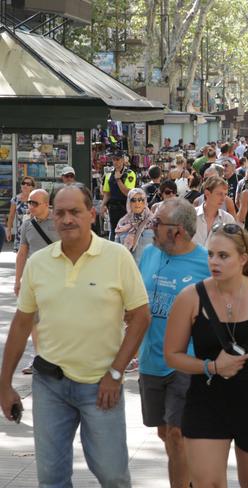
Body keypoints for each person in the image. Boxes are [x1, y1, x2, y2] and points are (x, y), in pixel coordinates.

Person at [0, 183, 151, 487]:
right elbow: (20, 324)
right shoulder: (38, 264)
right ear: (53, 217)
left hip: (101, 386)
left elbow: (141, 318)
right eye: (61, 213)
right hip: (50, 386)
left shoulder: (117, 257)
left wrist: (116, 372)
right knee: (52, 479)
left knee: (113, 476)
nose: (67, 219)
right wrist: (4, 385)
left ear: (92, 215)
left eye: (75, 212)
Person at [163, 223, 248, 488]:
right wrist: (211, 366)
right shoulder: (190, 298)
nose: (214, 261)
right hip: (207, 402)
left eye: (223, 256)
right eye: (211, 254)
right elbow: (173, 355)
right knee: (207, 484)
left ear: (243, 259)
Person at [137, 197, 210, 488]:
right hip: (151, 359)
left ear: (178, 230)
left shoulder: (207, 263)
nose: (151, 227)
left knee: (179, 435)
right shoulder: (149, 254)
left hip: (187, 361)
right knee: (165, 433)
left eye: (157, 223)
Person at [14, 188, 59, 375]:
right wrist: (18, 280)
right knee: (34, 319)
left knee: (55, 319)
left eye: (34, 203)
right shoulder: (27, 225)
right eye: (29, 203)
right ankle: (38, 357)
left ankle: (58, 357)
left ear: (46, 204)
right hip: (34, 280)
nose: (30, 206)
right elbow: (22, 253)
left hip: (57, 279)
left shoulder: (58, 222)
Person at [101, 151, 138, 241]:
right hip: (113, 208)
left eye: (117, 159)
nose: (115, 162)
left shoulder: (129, 174)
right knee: (114, 232)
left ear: (122, 160)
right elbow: (107, 193)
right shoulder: (109, 174)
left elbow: (128, 193)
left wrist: (118, 180)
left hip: (125, 208)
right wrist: (103, 205)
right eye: (113, 159)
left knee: (125, 232)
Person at [114, 188, 155, 265]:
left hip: (146, 270)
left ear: (145, 201)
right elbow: (116, 248)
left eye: (140, 199)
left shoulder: (153, 223)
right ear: (129, 202)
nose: (137, 203)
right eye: (133, 200)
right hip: (127, 269)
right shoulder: (123, 223)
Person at [193, 176, 236, 247]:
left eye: (225, 194)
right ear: (207, 193)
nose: (223, 198)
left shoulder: (228, 219)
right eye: (219, 194)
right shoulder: (191, 216)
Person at [7, 176, 34, 252]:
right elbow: (11, 215)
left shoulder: (35, 199)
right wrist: (9, 230)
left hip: (33, 232)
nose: (25, 185)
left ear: (32, 187)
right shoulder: (15, 199)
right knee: (20, 258)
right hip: (20, 233)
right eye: (23, 183)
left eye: (28, 184)